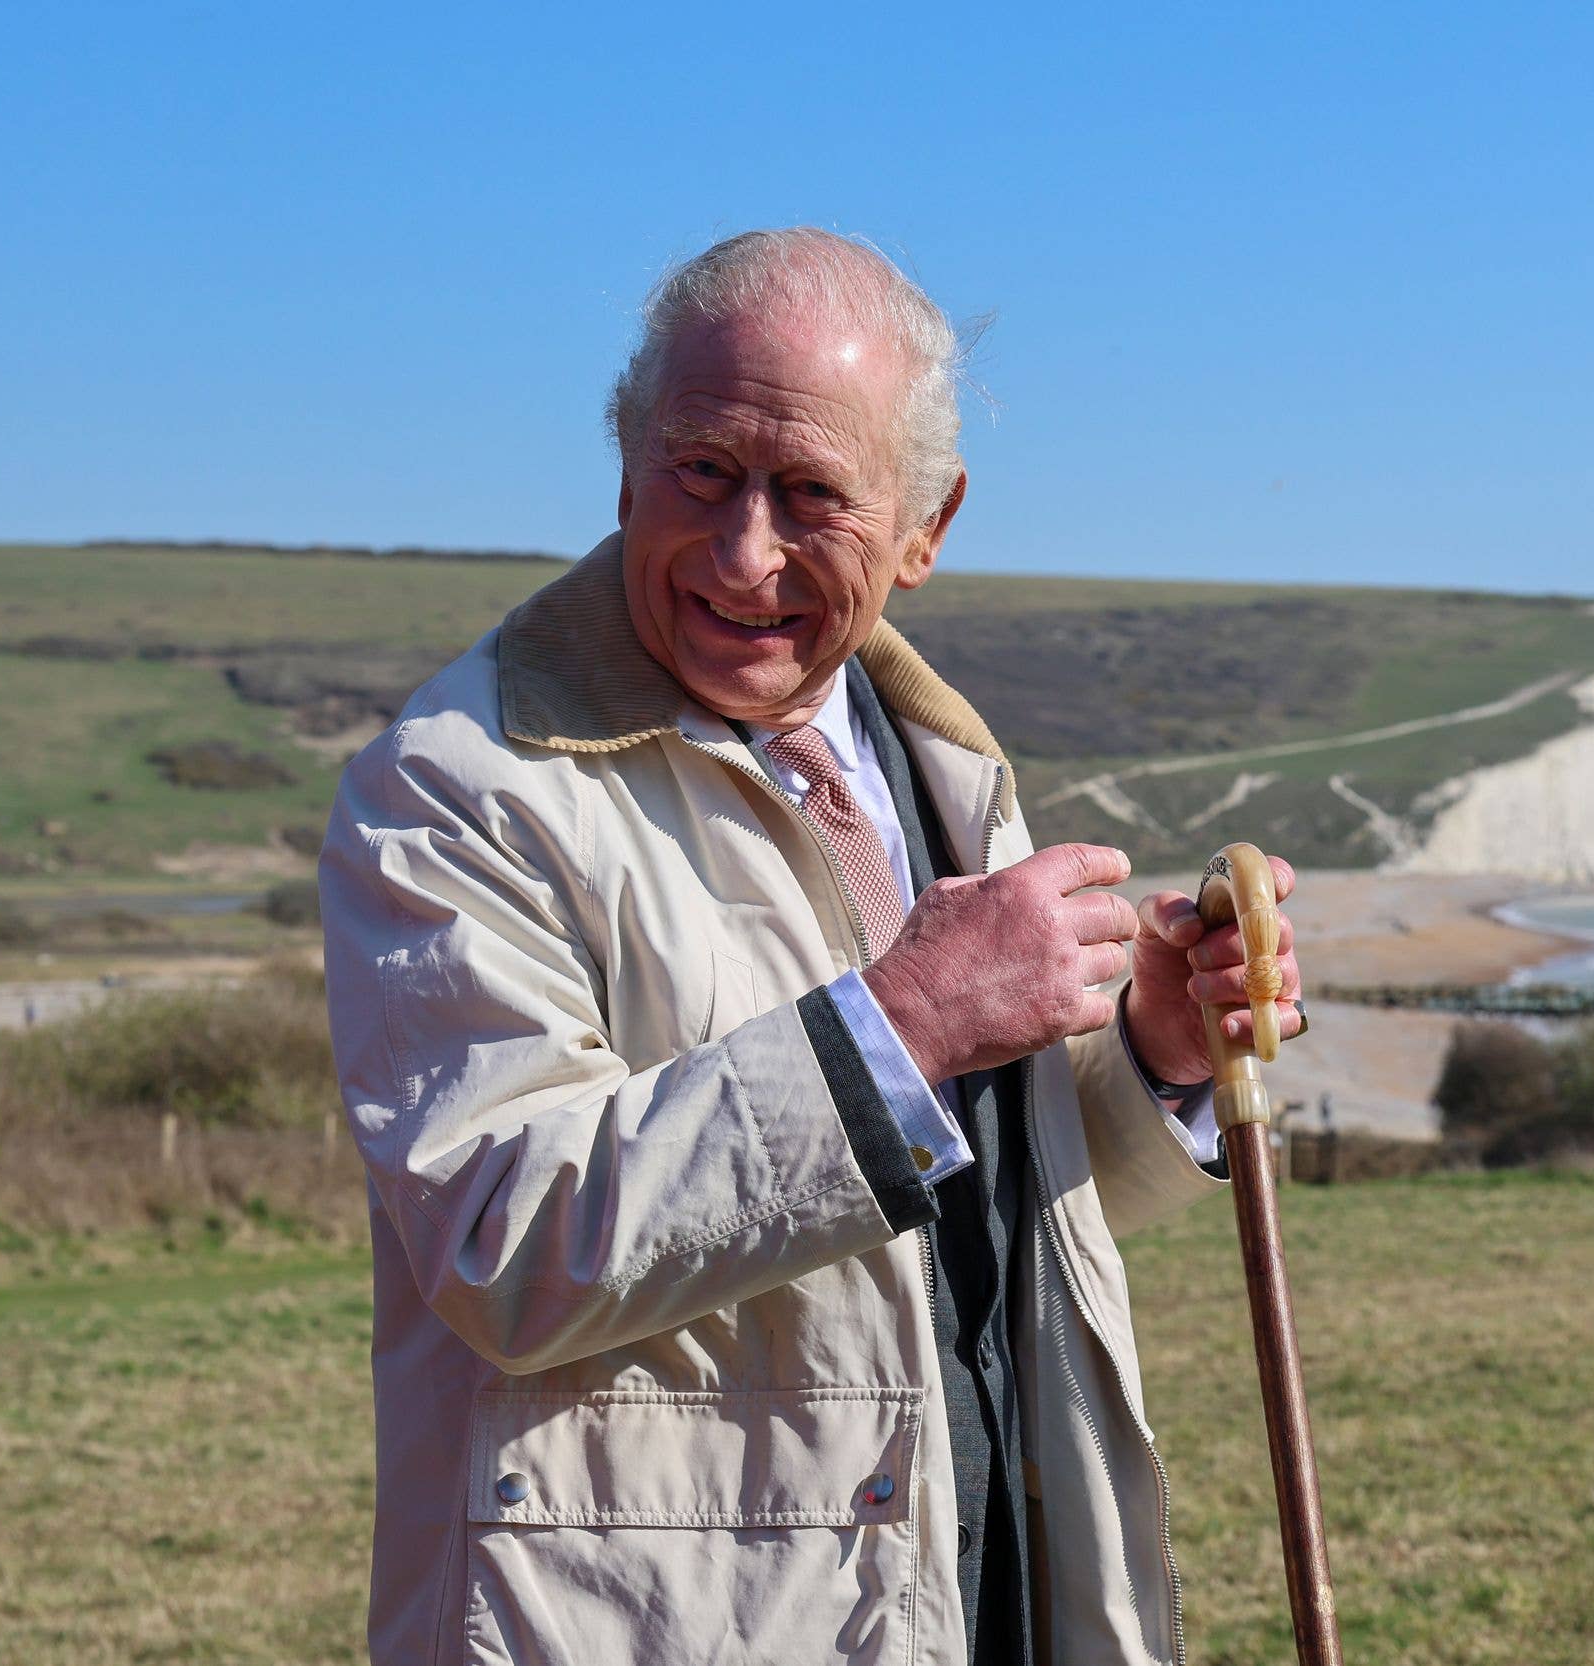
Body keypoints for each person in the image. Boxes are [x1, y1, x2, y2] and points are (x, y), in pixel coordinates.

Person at [319, 227, 1304, 1666]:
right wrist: (906, 1025)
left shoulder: (941, 761)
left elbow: (967, 1206)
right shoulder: (460, 784)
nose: (744, 552)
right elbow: (507, 1245)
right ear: (625, 460)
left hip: (981, 1599)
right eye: (703, 472)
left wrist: (1150, 1053)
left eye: (812, 494)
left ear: (927, 527)